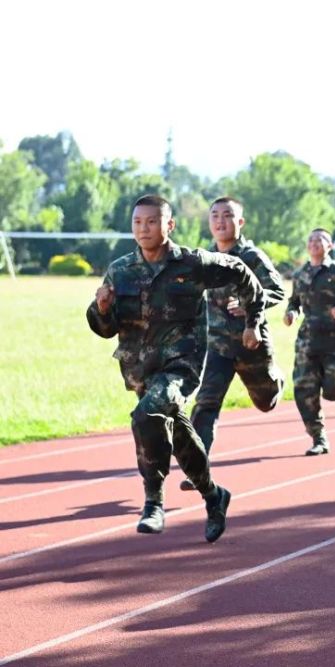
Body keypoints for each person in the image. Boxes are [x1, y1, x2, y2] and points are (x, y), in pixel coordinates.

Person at [87, 194, 266, 542]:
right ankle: (214, 496)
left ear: (169, 224)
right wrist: (103, 308)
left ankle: (153, 501)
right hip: (141, 368)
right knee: (179, 435)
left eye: (152, 221)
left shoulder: (193, 263)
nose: (144, 229)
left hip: (182, 363)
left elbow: (244, 275)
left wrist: (252, 321)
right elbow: (104, 329)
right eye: (138, 222)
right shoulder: (121, 271)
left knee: (146, 415)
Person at [183, 197, 286, 491]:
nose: (220, 221)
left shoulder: (251, 256)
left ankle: (277, 381)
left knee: (265, 402)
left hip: (250, 342)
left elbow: (277, 290)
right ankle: (197, 469)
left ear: (239, 223)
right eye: (214, 216)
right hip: (216, 347)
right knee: (206, 403)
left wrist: (250, 303)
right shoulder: (205, 259)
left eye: (227, 216)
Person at [284, 229, 335, 456]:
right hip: (307, 341)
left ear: (329, 245)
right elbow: (294, 302)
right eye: (310, 240)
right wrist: (291, 313)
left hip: (334, 340)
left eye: (319, 239)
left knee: (334, 393)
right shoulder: (300, 273)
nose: (313, 243)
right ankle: (318, 438)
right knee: (303, 389)